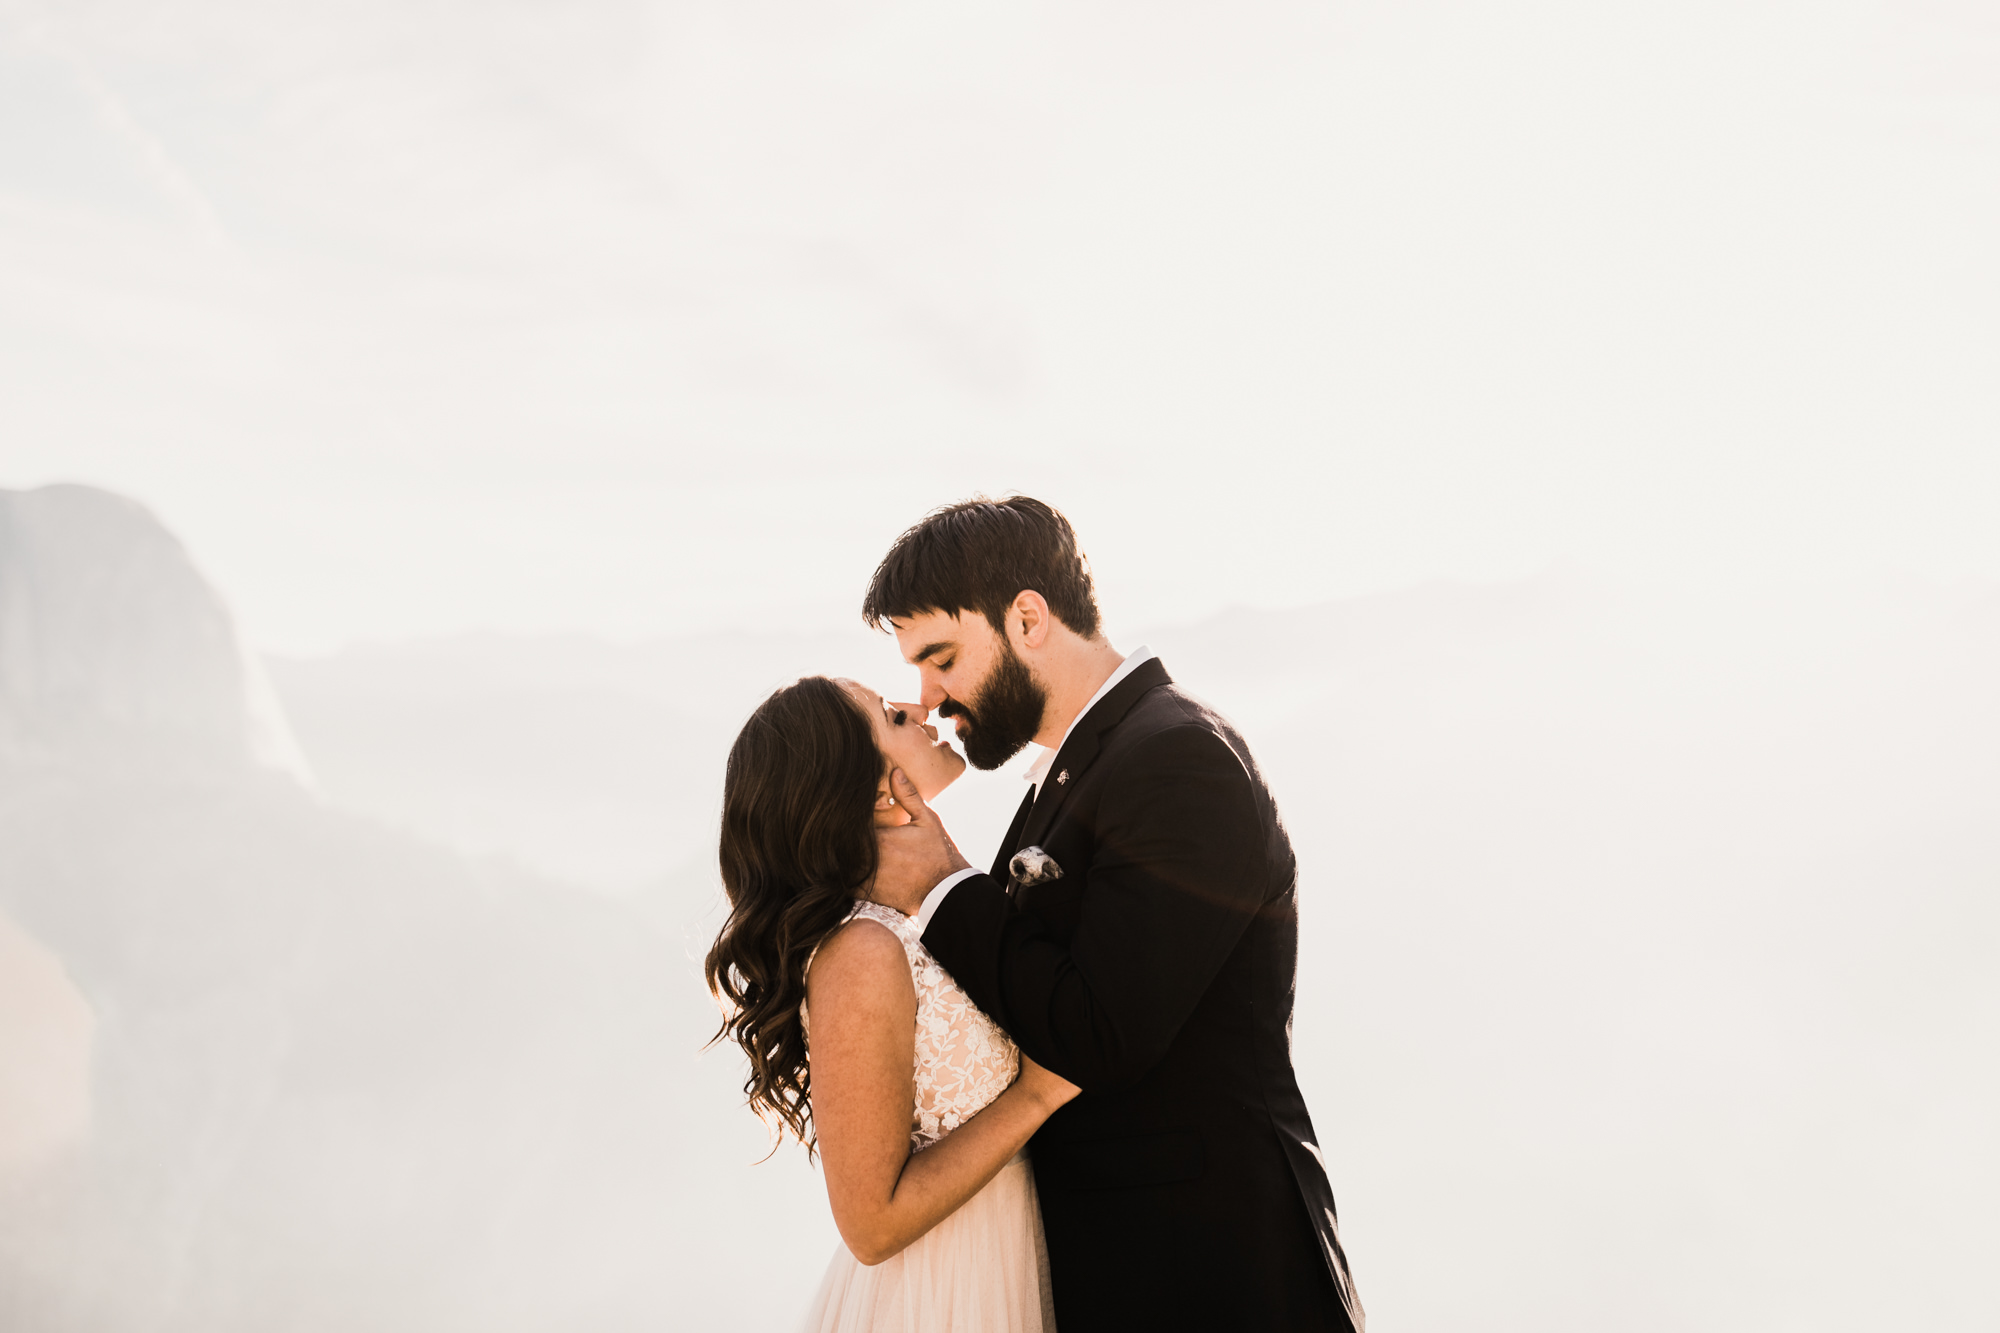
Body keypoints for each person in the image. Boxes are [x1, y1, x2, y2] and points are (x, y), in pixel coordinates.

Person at [860, 497, 1366, 1332]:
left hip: (1217, 1280)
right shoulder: (1080, 771)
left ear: (1027, 618)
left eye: (941, 656)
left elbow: (1101, 1035)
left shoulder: (1178, 758)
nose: (931, 696)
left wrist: (943, 882)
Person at [706, 673, 1078, 1332]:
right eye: (888, 713)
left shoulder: (911, 918)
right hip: (947, 1295)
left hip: (1020, 1257)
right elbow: (870, 1225)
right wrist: (1036, 1096)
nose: (917, 706)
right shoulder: (862, 950)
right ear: (871, 785)